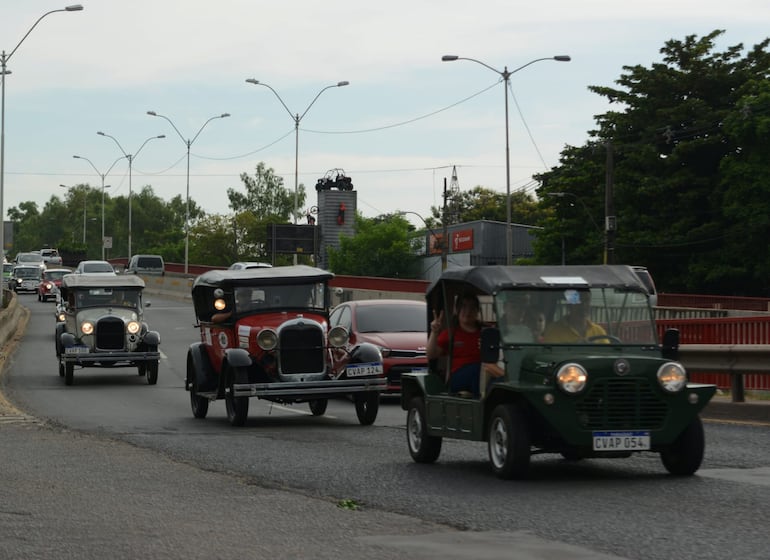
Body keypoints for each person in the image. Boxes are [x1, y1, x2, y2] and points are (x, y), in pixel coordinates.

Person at [426, 292, 484, 396]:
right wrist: (434, 332)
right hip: (458, 376)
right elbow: (431, 354)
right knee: (477, 370)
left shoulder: (486, 332)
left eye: (472, 307)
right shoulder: (450, 333)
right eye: (463, 307)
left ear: (477, 311)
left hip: (486, 372)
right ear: (457, 310)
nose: (468, 311)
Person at [542, 289, 607, 343]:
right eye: (579, 300)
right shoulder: (554, 330)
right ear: (569, 305)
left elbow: (607, 354)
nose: (583, 305)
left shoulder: (599, 331)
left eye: (587, 300)